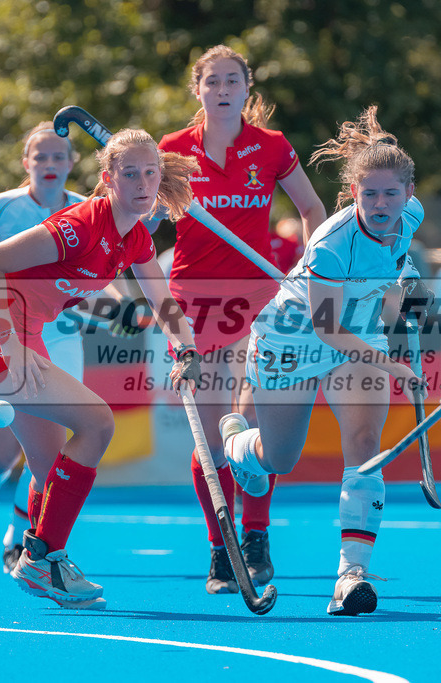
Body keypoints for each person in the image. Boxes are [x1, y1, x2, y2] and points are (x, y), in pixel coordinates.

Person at [0, 128, 203, 608]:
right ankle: (44, 557)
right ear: (108, 179)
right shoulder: (81, 224)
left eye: (151, 173)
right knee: (98, 421)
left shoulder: (137, 238)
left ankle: (41, 559)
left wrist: (186, 350)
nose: (143, 184)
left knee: (48, 468)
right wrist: (9, 344)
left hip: (24, 335)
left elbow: (165, 305)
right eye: (130, 174)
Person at [219, 106, 425, 616]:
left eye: (391, 193)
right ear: (353, 193)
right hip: (293, 338)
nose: (381, 204)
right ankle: (237, 443)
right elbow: (325, 327)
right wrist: (390, 364)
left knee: (363, 445)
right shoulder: (331, 245)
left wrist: (409, 284)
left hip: (355, 336)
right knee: (280, 459)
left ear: (408, 194)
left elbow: (396, 265)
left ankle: (351, 574)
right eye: (370, 194)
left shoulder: (412, 216)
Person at [157, 45, 327, 595]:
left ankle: (255, 537)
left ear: (246, 88)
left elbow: (313, 212)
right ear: (198, 89)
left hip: (259, 300)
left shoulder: (272, 148)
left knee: (252, 427)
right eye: (214, 81)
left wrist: (307, 271)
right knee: (209, 437)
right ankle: (221, 548)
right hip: (195, 302)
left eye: (233, 80)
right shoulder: (174, 151)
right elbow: (141, 212)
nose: (224, 89)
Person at [0, 122, 92, 574]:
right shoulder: (0, 207)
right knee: (3, 452)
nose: (50, 164)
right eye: (42, 157)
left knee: (50, 450)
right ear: (26, 163)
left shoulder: (85, 211)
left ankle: (20, 536)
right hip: (3, 333)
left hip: (59, 336)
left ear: (72, 164)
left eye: (59, 157)